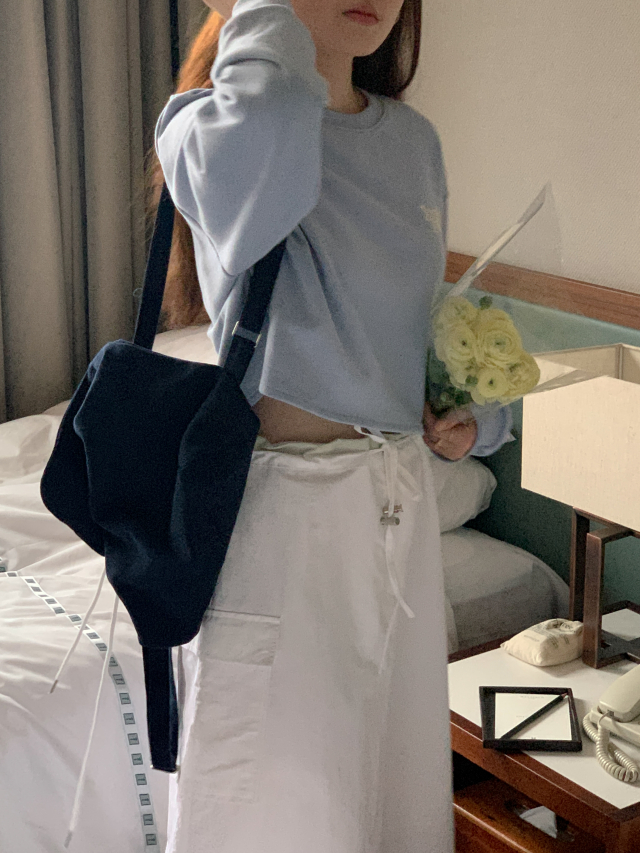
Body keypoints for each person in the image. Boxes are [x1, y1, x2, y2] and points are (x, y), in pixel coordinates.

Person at [153, 1, 513, 850]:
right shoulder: (212, 122)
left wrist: (478, 417)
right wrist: (255, 13)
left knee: (393, 803)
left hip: (399, 511)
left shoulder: (414, 142)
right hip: (284, 517)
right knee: (273, 813)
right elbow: (262, 179)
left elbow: (416, 326)